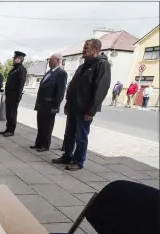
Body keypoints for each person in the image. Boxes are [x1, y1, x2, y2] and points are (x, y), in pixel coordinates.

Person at [52, 38, 111, 171]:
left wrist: (91, 111)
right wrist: (67, 103)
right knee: (69, 134)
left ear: (95, 50)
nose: (83, 51)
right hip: (74, 106)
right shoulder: (83, 66)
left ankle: (78, 161)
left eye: (86, 49)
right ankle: (67, 156)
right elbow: (73, 86)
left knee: (81, 136)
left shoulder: (102, 65)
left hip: (85, 109)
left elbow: (101, 89)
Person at [31, 53, 67, 152]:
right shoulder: (49, 72)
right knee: (40, 124)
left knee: (47, 126)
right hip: (42, 104)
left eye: (51, 59)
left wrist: (55, 106)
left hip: (50, 105)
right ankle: (38, 143)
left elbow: (60, 91)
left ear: (58, 61)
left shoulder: (61, 73)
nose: (49, 61)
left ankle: (45, 145)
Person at [0, 51, 27, 137]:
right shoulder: (14, 69)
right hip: (9, 95)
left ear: (20, 59)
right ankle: (8, 128)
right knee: (8, 113)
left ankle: (11, 130)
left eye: (15, 58)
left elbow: (21, 85)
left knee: (12, 113)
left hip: (14, 95)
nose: (13, 59)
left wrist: (17, 97)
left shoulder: (22, 69)